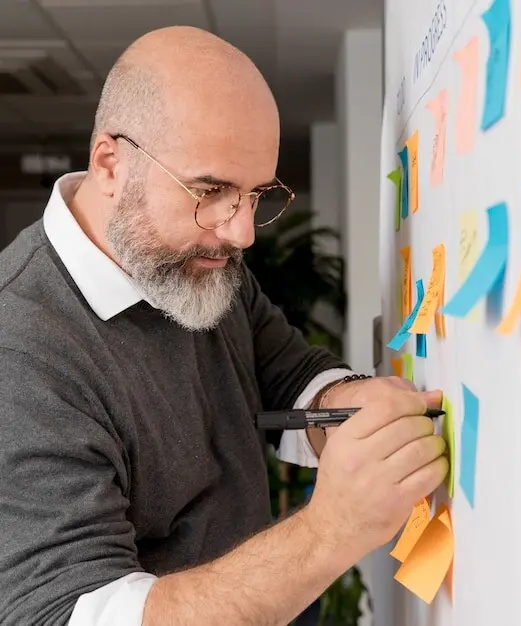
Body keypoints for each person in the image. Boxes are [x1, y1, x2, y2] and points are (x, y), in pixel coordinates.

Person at [0, 26, 448, 626]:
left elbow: (286, 373)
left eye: (256, 194)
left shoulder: (195, 258)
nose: (241, 233)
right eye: (211, 191)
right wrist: (330, 531)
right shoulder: (20, 349)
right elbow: (69, 612)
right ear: (110, 164)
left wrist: (344, 406)